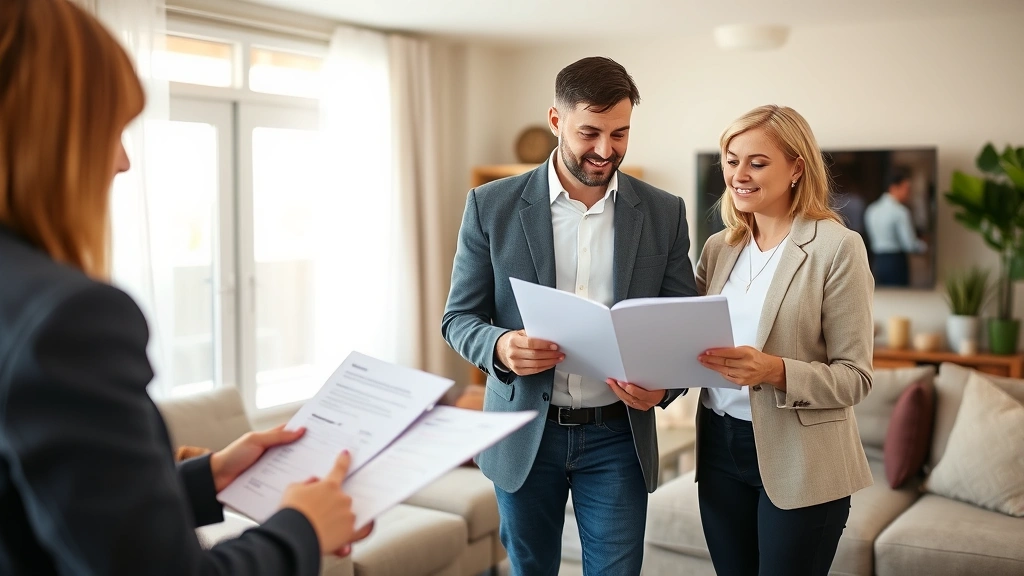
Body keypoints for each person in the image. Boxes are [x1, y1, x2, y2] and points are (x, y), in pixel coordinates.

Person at [0, 1, 371, 574]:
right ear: (44, 133)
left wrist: (210, 475)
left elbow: (42, 503)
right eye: (111, 130)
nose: (122, 162)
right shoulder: (65, 318)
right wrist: (302, 525)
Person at [442, 56, 696, 575]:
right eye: (590, 132)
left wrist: (664, 389)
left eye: (620, 133)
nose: (606, 150)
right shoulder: (490, 205)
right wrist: (500, 347)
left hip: (618, 438)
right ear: (556, 121)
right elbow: (459, 318)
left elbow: (681, 327)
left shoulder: (664, 212)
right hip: (524, 433)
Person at [693, 105, 874, 576]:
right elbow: (682, 331)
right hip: (718, 447)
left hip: (802, 458)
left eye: (757, 162)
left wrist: (774, 370)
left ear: (797, 167)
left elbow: (855, 378)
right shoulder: (719, 247)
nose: (739, 174)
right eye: (732, 160)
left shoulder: (837, 247)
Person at [864, 168, 927, 286]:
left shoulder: (871, 210)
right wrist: (925, 246)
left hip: (877, 262)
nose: (909, 193)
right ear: (893, 187)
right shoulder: (901, 212)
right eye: (906, 189)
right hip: (896, 262)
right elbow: (909, 245)